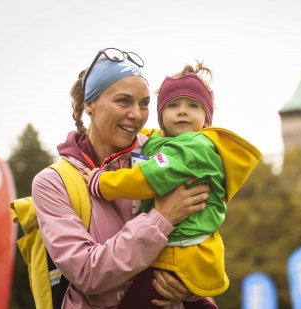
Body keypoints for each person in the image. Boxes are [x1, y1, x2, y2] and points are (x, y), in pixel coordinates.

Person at [32, 47, 211, 308]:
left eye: (144, 103)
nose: (136, 114)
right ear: (89, 105)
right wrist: (162, 219)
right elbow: (86, 273)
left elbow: (200, 230)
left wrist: (190, 287)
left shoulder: (163, 155)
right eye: (123, 101)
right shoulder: (53, 183)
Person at [85, 62, 262, 308]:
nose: (182, 112)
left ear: (206, 119)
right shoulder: (167, 142)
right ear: (161, 116)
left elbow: (148, 177)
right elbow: (152, 140)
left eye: (193, 105)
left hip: (179, 251)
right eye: (173, 105)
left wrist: (102, 183)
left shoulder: (196, 148)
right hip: (177, 247)